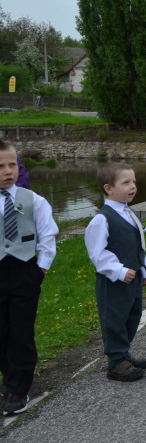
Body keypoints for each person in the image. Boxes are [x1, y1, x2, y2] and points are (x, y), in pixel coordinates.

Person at [0, 140, 58, 415]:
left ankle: (19, 388)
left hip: (24, 272)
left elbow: (47, 236)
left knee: (21, 332)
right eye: (0, 166)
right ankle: (10, 375)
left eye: (12, 164)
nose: (7, 171)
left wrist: (40, 270)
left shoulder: (34, 200)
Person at [84, 163, 146, 382]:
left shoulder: (130, 213)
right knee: (115, 319)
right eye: (126, 183)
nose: (133, 187)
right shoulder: (102, 219)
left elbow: (138, 245)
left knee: (132, 315)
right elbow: (97, 253)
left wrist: (144, 269)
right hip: (113, 281)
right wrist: (119, 271)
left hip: (134, 277)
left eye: (134, 182)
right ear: (108, 188)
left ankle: (123, 353)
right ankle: (115, 363)